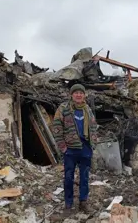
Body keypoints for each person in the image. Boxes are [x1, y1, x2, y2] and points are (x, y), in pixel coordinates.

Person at [52, 84, 98, 215]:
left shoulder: (87, 109)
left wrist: (93, 142)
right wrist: (63, 147)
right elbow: (56, 128)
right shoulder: (63, 108)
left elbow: (93, 126)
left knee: (84, 177)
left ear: (84, 95)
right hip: (70, 150)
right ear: (71, 95)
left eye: (81, 93)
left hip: (85, 148)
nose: (79, 95)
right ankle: (68, 204)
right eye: (76, 92)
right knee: (68, 177)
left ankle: (83, 202)